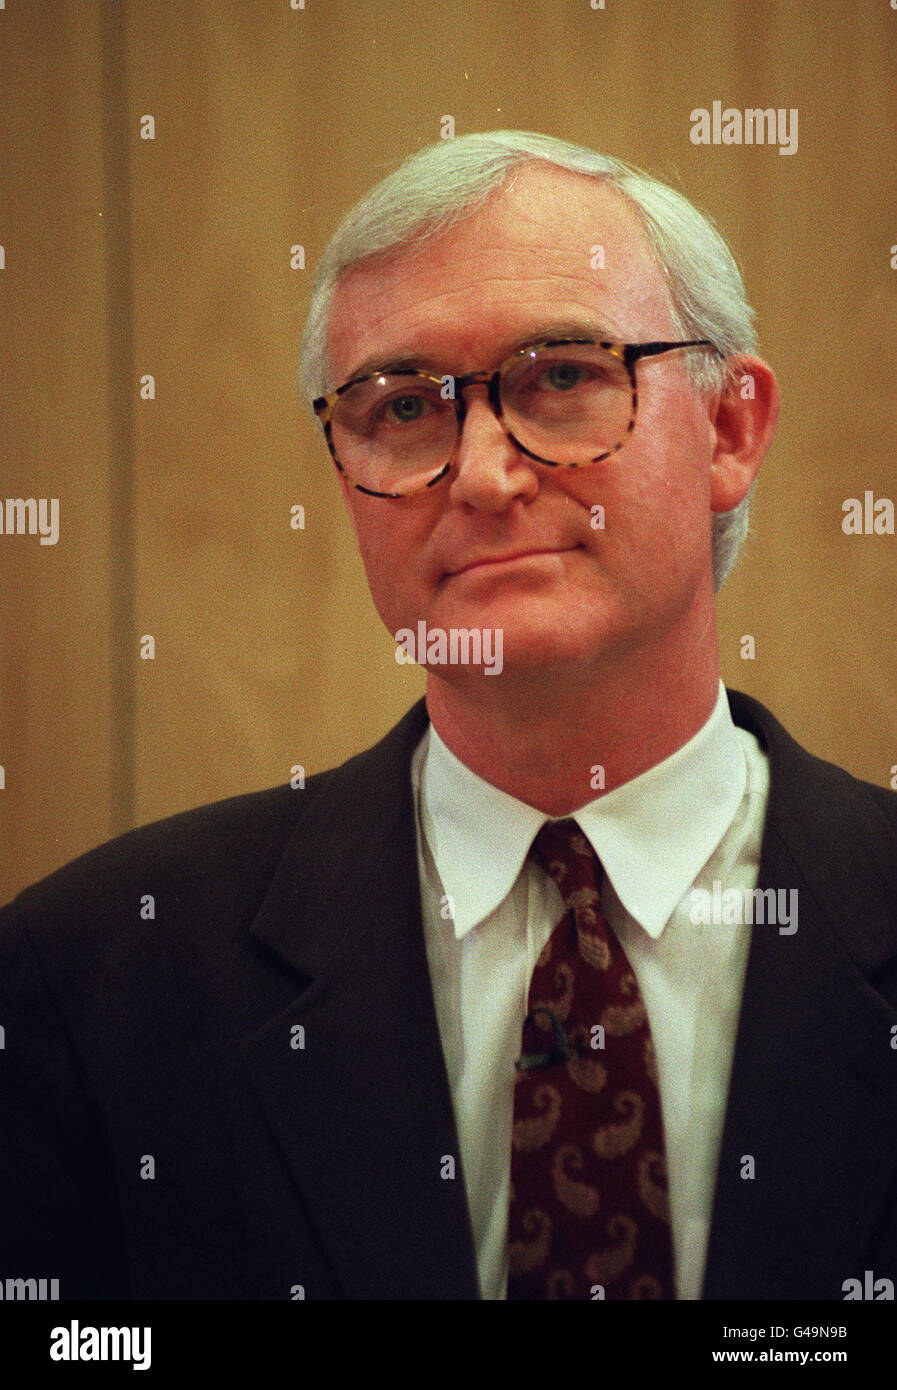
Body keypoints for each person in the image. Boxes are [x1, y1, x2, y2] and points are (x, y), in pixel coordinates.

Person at [1, 131, 895, 1303]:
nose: (482, 473)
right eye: (406, 406)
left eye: (564, 377)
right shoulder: (95, 971)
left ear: (728, 430)